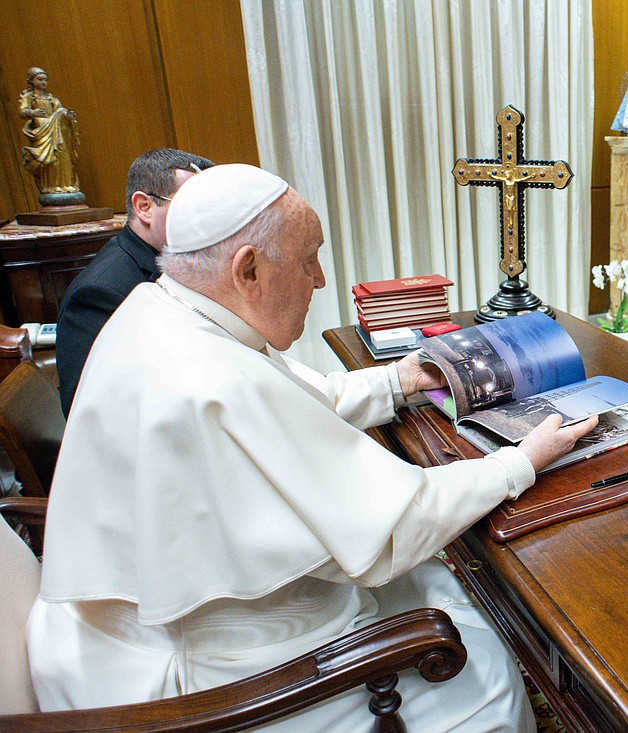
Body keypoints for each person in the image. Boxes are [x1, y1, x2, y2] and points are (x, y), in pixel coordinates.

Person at [29, 164, 596, 732]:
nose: (320, 280)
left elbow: (294, 400)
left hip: (147, 624)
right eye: (308, 259)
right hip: (215, 673)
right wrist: (521, 461)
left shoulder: (164, 308)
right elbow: (394, 527)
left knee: (443, 584)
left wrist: (399, 380)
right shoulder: (209, 377)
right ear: (247, 269)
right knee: (490, 678)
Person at [55, 148, 214, 416]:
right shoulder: (98, 294)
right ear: (144, 207)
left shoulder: (182, 258)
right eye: (193, 207)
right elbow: (90, 412)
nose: (210, 221)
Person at [18, 67, 81, 203]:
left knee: (61, 155)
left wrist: (66, 114)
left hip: (56, 132)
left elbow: (59, 110)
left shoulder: (51, 98)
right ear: (31, 80)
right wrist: (32, 113)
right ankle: (51, 186)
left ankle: (65, 185)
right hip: (42, 130)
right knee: (49, 160)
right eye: (39, 79)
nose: (43, 82)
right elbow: (22, 112)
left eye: (45, 80)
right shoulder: (29, 97)